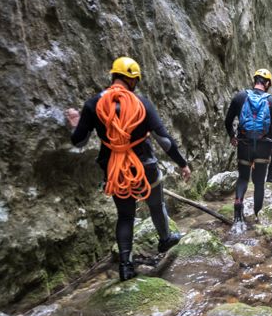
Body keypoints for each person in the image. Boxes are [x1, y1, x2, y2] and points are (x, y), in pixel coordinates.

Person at [66, 57, 191, 281]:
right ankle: (165, 239)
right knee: (156, 205)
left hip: (115, 168)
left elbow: (79, 141)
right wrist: (182, 163)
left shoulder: (94, 104)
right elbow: (165, 141)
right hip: (144, 166)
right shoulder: (140, 102)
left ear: (113, 76)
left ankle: (126, 266)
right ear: (132, 80)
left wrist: (75, 123)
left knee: (125, 216)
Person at [224, 68, 272, 225]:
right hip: (264, 145)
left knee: (243, 177)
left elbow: (228, 121)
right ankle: (257, 216)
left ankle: (238, 203)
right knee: (259, 182)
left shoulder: (240, 97)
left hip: (244, 144)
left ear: (254, 80)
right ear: (267, 83)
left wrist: (232, 136)